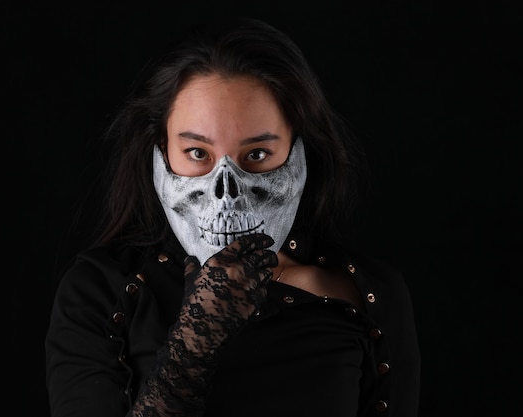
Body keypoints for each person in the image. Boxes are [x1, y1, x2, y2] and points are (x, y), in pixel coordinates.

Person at [45, 16, 421, 417]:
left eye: (256, 155)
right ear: (160, 152)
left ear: (298, 153)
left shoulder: (367, 293)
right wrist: (195, 340)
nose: (226, 192)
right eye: (198, 154)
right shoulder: (101, 291)